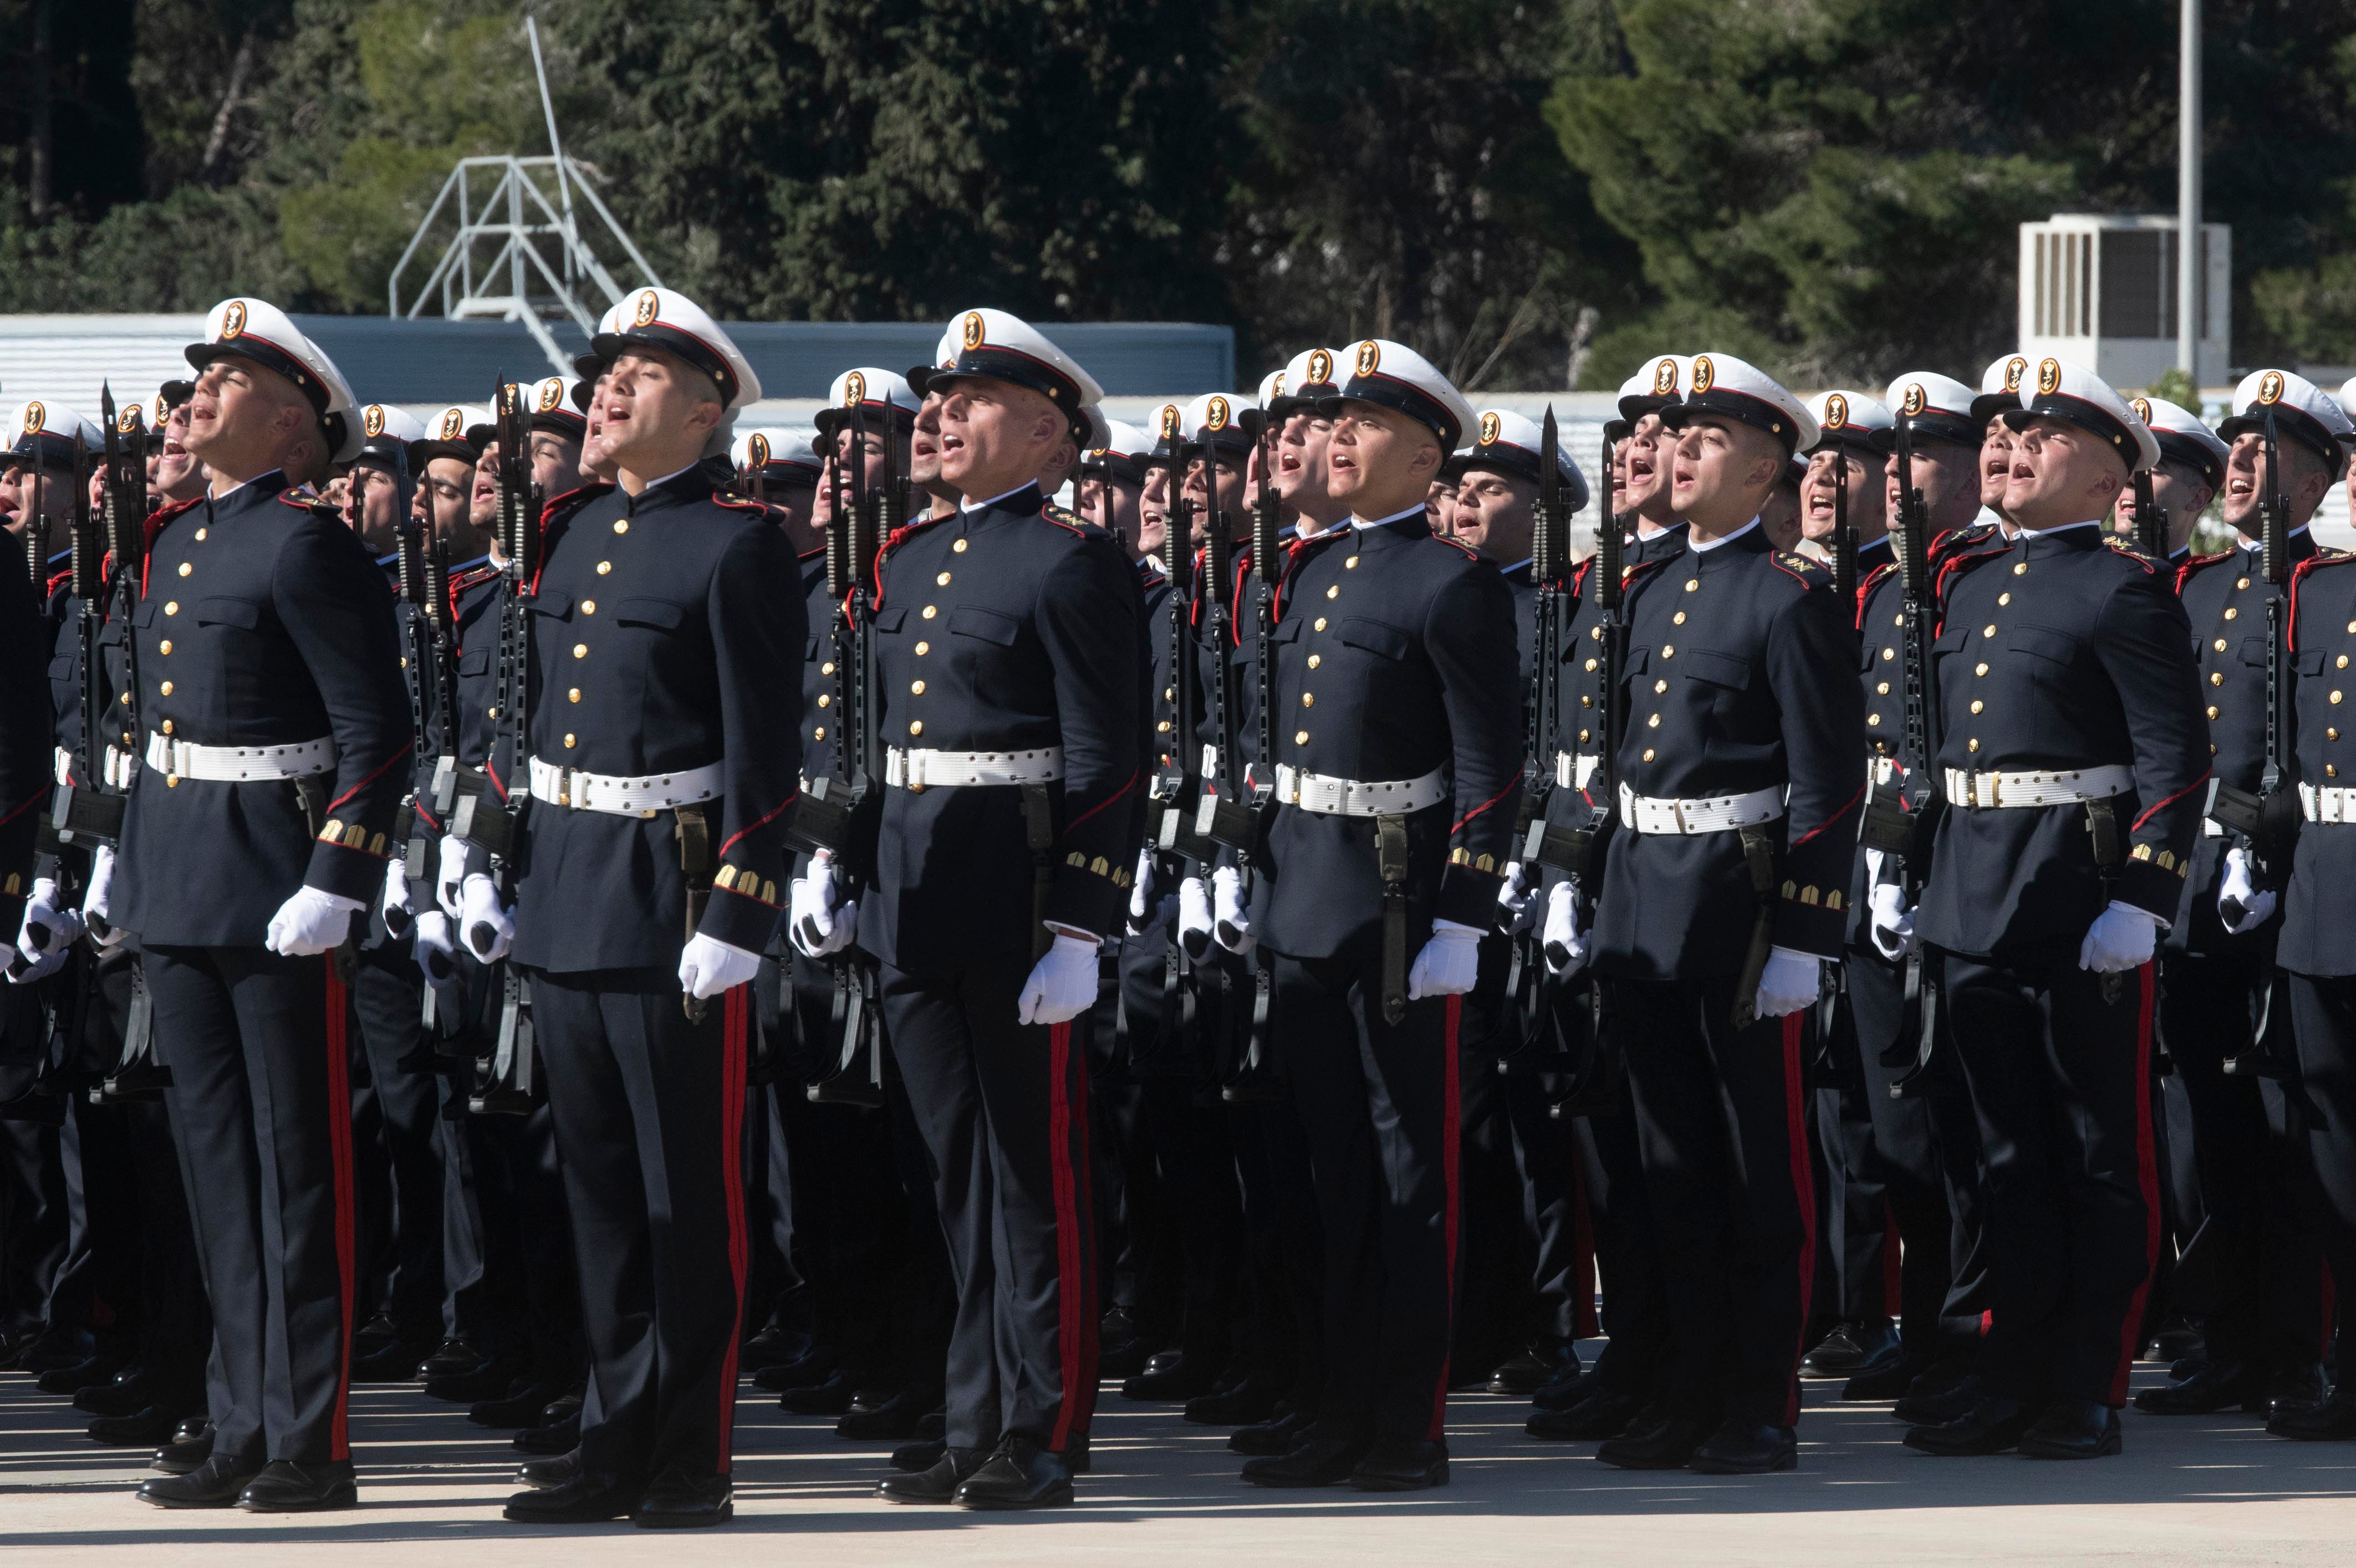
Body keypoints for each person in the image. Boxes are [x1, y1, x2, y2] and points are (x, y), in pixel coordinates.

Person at [454, 289, 798, 1528]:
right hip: (568, 889)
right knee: (595, 1189)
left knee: (685, 1193)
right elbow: (524, 714)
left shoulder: (737, 540)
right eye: (604, 374)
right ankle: (611, 1431)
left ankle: (688, 1451)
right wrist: (491, 847)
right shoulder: (570, 527)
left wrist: (739, 908)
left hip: (671, 893)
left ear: (704, 412)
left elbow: (771, 750)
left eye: (638, 377)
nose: (605, 391)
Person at [792, 308, 1140, 1511]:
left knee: (1035, 1177)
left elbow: (1108, 757)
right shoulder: (908, 557)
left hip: (1018, 900)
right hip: (911, 899)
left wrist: (1085, 925)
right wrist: (831, 862)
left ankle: (1042, 1424)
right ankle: (971, 1411)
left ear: (1047, 432)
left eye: (969, 401)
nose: (934, 417)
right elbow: (870, 736)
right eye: (934, 399)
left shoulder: (1070, 558)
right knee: (953, 1175)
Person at [111, 298, 411, 1513]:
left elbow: (375, 732)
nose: (198, 399)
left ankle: (309, 1435)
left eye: (229, 383)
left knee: (298, 1169)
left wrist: (338, 877)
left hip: (276, 881)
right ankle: (237, 1419)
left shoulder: (305, 541)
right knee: (216, 1170)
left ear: (293, 422)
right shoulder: (173, 538)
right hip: (180, 875)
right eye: (200, 380)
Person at [1218, 337, 1518, 1494]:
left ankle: (1406, 1421)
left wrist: (1463, 916)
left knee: (1406, 1179)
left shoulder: (1450, 584)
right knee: (1327, 1172)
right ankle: (1336, 1403)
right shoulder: (1306, 569)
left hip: (1400, 914)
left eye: (1368, 421)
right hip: (1308, 901)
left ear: (1429, 452)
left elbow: (1492, 769)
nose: (1337, 436)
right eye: (1333, 418)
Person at [1901, 357, 2205, 1461]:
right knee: (2000, 1156)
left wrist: (2143, 896)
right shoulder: (1968, 576)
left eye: (2047, 434)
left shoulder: (2121, 587)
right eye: (2007, 429)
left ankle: (2087, 1381)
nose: (2013, 446)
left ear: (2109, 478)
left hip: (2078, 899)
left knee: (2092, 1151)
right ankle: (2008, 1370)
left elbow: (2175, 760)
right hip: (1971, 890)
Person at [1578, 354, 1858, 1476]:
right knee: (1668, 1166)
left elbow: (1828, 779)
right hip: (1646, 896)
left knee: (1756, 1169)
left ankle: (1757, 1401)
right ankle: (1685, 1389)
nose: (1677, 451)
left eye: (1707, 440)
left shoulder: (1787, 597)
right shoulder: (1643, 585)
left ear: (1765, 471)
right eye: (1674, 435)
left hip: (1741, 913)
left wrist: (1803, 929)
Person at [2135, 370, 2343, 1422]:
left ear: (2319, 475)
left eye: (2272, 449)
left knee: (2296, 1120)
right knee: (2208, 1118)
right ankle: (2229, 1335)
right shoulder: (2199, 585)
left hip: (2297, 884)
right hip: (2202, 890)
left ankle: (2301, 1343)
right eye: (2240, 449)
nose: (2248, 465)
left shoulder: (2324, 586)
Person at [1845, 371, 1999, 1422]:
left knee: (1969, 1125)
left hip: (1968, 879)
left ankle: (1972, 1332)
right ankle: (1925, 1322)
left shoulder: (1989, 574)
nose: (1902, 476)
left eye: (1925, 456)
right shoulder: (1880, 586)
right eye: (1892, 457)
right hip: (1877, 882)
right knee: (1895, 1128)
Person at [1445, 408, 1592, 1399]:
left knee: (1543, 1114)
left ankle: (1547, 1319)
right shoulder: (1439, 596)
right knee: (1465, 1116)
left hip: (1536, 889)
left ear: (1546, 511)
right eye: (1457, 485)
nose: (1464, 501)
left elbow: (1575, 755)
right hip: (1460, 885)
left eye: (1491, 488)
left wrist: (1557, 873)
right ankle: (1473, 1309)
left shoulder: (1567, 605)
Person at [2112, 396, 2225, 567]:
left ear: (2198, 497)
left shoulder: (2206, 591)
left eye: (2150, 471)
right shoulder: (2088, 578)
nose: (2129, 480)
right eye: (2126, 467)